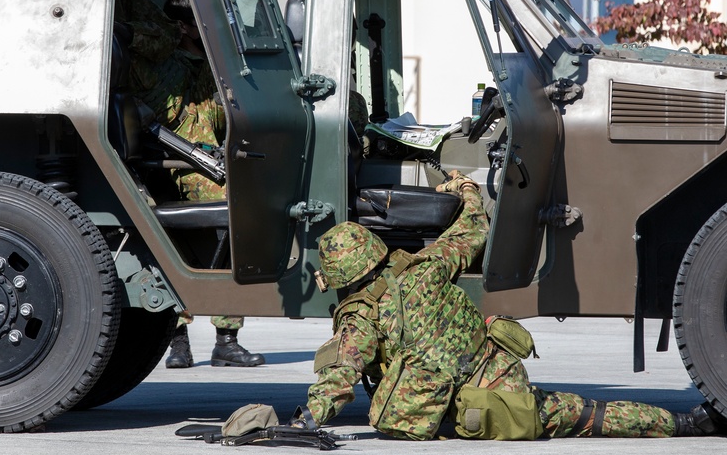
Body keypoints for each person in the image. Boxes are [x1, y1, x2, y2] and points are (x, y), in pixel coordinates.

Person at [300, 170, 725, 440]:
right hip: (504, 372)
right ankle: (688, 423)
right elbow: (472, 229)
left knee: (583, 419)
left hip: (481, 408)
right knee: (588, 412)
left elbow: (341, 374)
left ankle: (687, 425)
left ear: (339, 279)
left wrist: (308, 419)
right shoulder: (425, 267)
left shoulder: (360, 318)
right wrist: (465, 188)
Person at [116, 0, 264, 369]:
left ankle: (226, 340)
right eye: (203, 23)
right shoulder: (159, 67)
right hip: (168, 166)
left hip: (205, 164)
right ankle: (177, 339)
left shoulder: (215, 65)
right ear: (183, 27)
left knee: (240, 213)